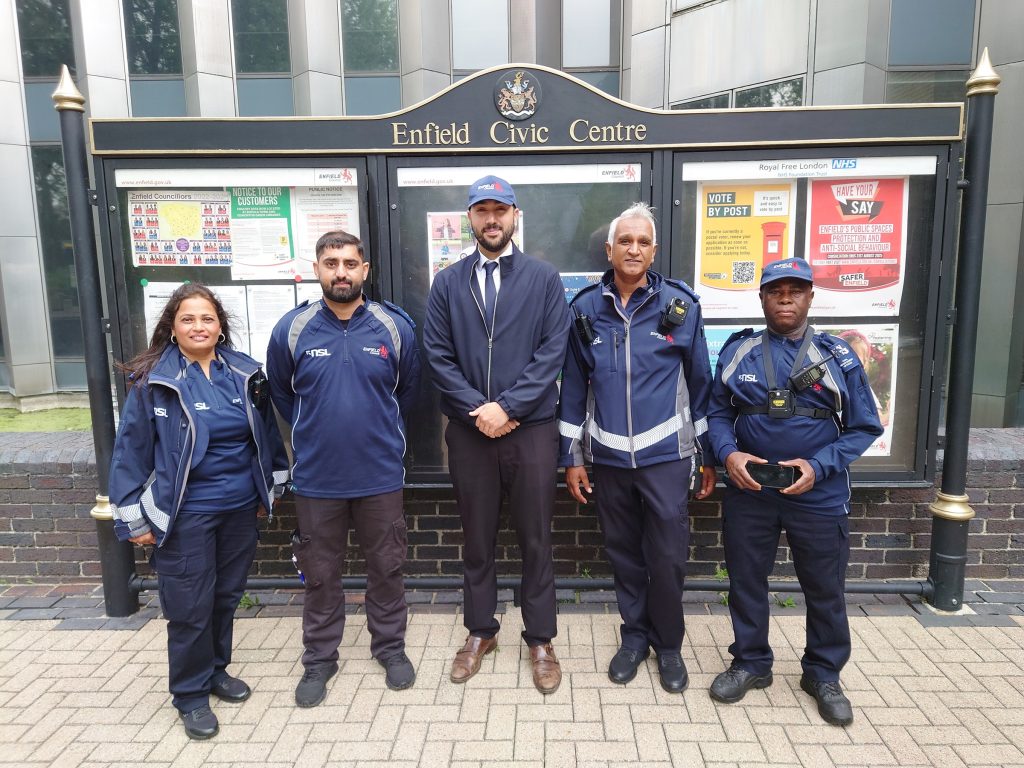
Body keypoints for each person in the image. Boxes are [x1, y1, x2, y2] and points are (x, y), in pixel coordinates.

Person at [707, 257, 882, 726]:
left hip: (818, 495)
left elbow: (865, 426)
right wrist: (728, 454)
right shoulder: (739, 350)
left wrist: (817, 466)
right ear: (762, 297)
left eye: (795, 291)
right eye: (775, 291)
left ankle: (823, 674)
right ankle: (751, 663)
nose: (785, 299)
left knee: (824, 588)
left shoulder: (837, 356)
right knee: (746, 582)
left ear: (810, 297)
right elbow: (717, 412)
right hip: (750, 490)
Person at [109, 283, 289, 740]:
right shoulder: (154, 382)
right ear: (172, 328)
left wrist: (271, 488)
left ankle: (214, 672)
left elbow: (266, 436)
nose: (198, 326)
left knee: (225, 596)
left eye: (207, 318)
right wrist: (132, 518)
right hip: (185, 513)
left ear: (219, 326)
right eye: (188, 319)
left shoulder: (245, 373)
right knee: (189, 607)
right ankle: (189, 695)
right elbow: (130, 452)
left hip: (239, 509)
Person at [559, 202, 715, 693]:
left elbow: (701, 385)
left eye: (642, 242)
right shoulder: (585, 308)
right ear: (609, 249)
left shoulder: (681, 306)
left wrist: (708, 454)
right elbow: (572, 388)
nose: (633, 249)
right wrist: (572, 457)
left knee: (667, 559)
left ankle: (668, 646)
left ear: (654, 250)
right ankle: (634, 639)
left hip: (666, 457)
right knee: (624, 555)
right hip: (608, 459)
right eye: (624, 241)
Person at [423, 175, 570, 694]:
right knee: (477, 538)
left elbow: (552, 351)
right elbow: (437, 355)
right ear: (469, 217)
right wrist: (479, 411)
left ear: (514, 215)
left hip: (530, 431)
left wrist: (507, 407)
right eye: (482, 210)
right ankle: (480, 631)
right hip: (470, 433)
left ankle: (541, 639)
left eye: (500, 210)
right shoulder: (447, 283)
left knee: (536, 538)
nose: (492, 219)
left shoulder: (543, 278)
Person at [266, 230, 421, 707]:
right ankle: (319, 659)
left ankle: (390, 648)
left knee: (387, 567)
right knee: (319, 573)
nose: (341, 272)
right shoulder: (292, 329)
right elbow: (282, 395)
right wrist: (318, 431)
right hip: (317, 478)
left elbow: (407, 393)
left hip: (379, 475)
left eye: (350, 264)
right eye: (331, 263)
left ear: (364, 270)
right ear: (317, 269)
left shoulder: (394, 328)